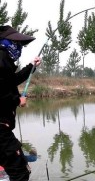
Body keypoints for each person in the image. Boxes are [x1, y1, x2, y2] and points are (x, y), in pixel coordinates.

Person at [0, 25, 41, 181]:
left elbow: (11, 81)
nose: (19, 48)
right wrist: (17, 100)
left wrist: (31, 66)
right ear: (6, 42)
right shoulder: (1, 58)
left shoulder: (4, 60)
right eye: (16, 44)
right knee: (21, 172)